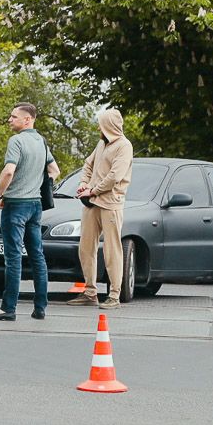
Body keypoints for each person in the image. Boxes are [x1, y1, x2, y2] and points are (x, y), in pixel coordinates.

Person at [0, 102, 59, 322]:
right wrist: (37, 183)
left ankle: (8, 309)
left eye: (13, 117)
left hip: (15, 205)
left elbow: (8, 171)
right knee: (37, 257)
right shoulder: (41, 142)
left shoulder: (16, 141)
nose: (9, 120)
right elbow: (54, 171)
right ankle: (40, 307)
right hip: (35, 206)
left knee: (13, 257)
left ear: (27, 119)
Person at [68, 108, 134, 310]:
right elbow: (88, 164)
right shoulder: (101, 143)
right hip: (92, 202)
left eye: (101, 123)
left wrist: (93, 190)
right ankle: (90, 292)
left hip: (111, 203)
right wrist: (83, 183)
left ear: (109, 125)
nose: (99, 127)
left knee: (112, 249)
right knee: (85, 247)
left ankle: (114, 295)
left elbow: (115, 176)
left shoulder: (124, 146)